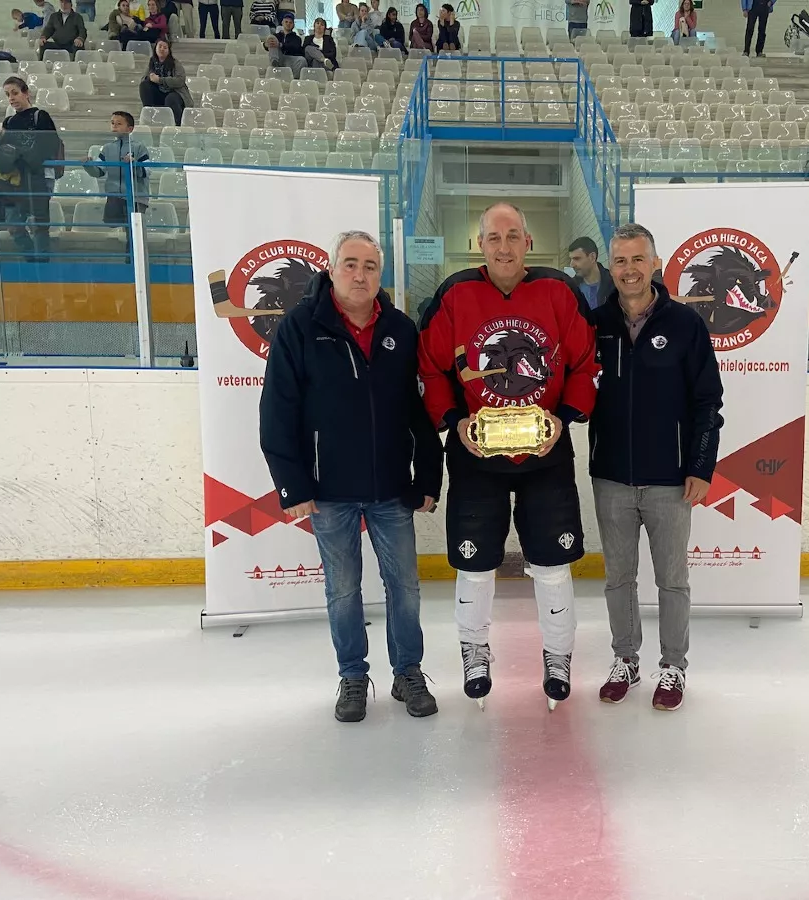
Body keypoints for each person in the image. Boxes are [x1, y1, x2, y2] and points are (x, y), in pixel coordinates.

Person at [417, 202, 600, 712]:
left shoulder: (558, 291)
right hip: (475, 457)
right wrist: (455, 422)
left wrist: (563, 418)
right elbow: (431, 369)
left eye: (513, 236)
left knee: (552, 564)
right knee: (474, 565)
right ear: (480, 244)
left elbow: (586, 364)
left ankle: (558, 655)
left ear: (528, 242)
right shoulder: (455, 294)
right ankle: (475, 652)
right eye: (494, 238)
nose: (503, 247)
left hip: (545, 455)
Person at [260, 230, 443, 724]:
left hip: (391, 488)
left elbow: (420, 410)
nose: (360, 275)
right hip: (329, 491)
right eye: (350, 264)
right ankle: (353, 676)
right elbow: (277, 411)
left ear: (380, 274)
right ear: (331, 268)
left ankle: (408, 672)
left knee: (405, 587)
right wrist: (292, 484)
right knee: (343, 591)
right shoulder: (300, 327)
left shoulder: (401, 329)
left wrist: (428, 475)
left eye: (370, 266)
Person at [590, 223, 723, 711]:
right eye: (620, 261)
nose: (629, 269)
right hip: (611, 477)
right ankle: (625, 659)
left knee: (672, 579)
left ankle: (673, 666)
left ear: (656, 263)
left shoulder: (685, 325)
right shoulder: (595, 324)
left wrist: (701, 466)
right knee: (618, 579)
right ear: (610, 266)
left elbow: (708, 401)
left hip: (670, 479)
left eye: (638, 259)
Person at [0, 77, 59, 262]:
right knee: (14, 225)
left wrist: (22, 156)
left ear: (26, 93)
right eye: (8, 95)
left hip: (36, 176)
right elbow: (3, 151)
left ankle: (42, 262)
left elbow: (49, 145)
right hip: (14, 180)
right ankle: (31, 257)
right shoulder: (8, 121)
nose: (11, 98)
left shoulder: (41, 116)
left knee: (39, 224)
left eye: (15, 93)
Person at [83, 110, 150, 228]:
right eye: (112, 123)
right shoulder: (107, 148)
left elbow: (147, 171)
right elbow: (99, 171)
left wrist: (134, 165)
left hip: (135, 197)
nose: (114, 126)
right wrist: (88, 166)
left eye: (119, 124)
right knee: (113, 224)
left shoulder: (139, 147)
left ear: (130, 129)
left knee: (134, 230)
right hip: (114, 196)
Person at [139, 37, 193, 126]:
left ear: (168, 51)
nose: (162, 49)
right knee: (144, 85)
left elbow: (180, 80)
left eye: (165, 47)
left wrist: (160, 80)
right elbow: (143, 78)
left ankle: (177, 124)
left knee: (171, 98)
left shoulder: (175, 63)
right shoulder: (152, 62)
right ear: (155, 48)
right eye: (160, 46)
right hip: (159, 92)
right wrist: (150, 78)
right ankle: (149, 115)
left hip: (174, 92)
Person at [568, 235, 614, 309]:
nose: (572, 265)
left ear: (592, 257)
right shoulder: (571, 287)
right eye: (571, 259)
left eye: (577, 259)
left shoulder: (614, 284)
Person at [265, 12, 305, 77]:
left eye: (290, 22)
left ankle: (294, 79)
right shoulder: (276, 36)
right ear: (282, 23)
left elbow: (295, 47)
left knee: (302, 60)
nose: (288, 24)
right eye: (286, 22)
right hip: (278, 57)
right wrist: (265, 45)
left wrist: (280, 45)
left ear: (293, 25)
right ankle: (274, 62)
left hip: (290, 59)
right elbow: (267, 45)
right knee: (272, 38)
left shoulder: (297, 38)